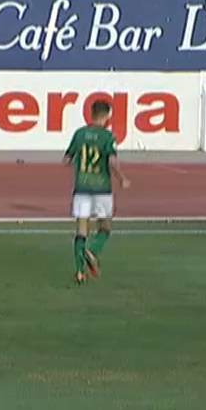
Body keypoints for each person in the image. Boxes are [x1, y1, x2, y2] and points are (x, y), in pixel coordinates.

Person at [63, 100, 131, 284]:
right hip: (102, 188)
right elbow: (112, 161)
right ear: (107, 116)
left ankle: (79, 272)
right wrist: (122, 178)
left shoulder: (79, 134)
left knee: (81, 229)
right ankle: (93, 250)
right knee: (105, 227)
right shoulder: (108, 137)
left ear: (91, 113)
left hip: (82, 187)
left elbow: (67, 159)